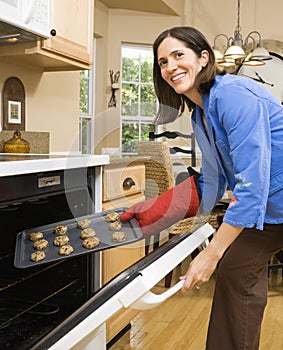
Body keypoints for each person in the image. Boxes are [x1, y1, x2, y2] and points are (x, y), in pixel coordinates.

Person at [120, 26, 283, 349]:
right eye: (163, 62)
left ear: (203, 57)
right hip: (271, 209)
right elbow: (211, 180)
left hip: (268, 198)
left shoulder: (233, 95)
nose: (170, 67)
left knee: (225, 261)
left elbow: (252, 183)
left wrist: (211, 252)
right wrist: (152, 210)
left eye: (178, 55)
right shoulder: (200, 113)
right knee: (236, 270)